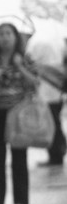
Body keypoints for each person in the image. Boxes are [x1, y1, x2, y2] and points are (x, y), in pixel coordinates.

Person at [0, 23, 38, 204]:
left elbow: (35, 83)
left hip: (18, 114)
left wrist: (19, 66)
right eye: (1, 35)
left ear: (16, 37)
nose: (4, 38)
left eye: (8, 34)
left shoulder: (24, 58)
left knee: (19, 157)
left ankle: (20, 201)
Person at [25, 28, 66, 166]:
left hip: (45, 88)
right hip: (57, 86)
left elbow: (29, 60)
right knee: (55, 121)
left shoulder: (35, 41)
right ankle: (59, 149)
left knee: (50, 122)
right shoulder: (58, 38)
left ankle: (56, 154)